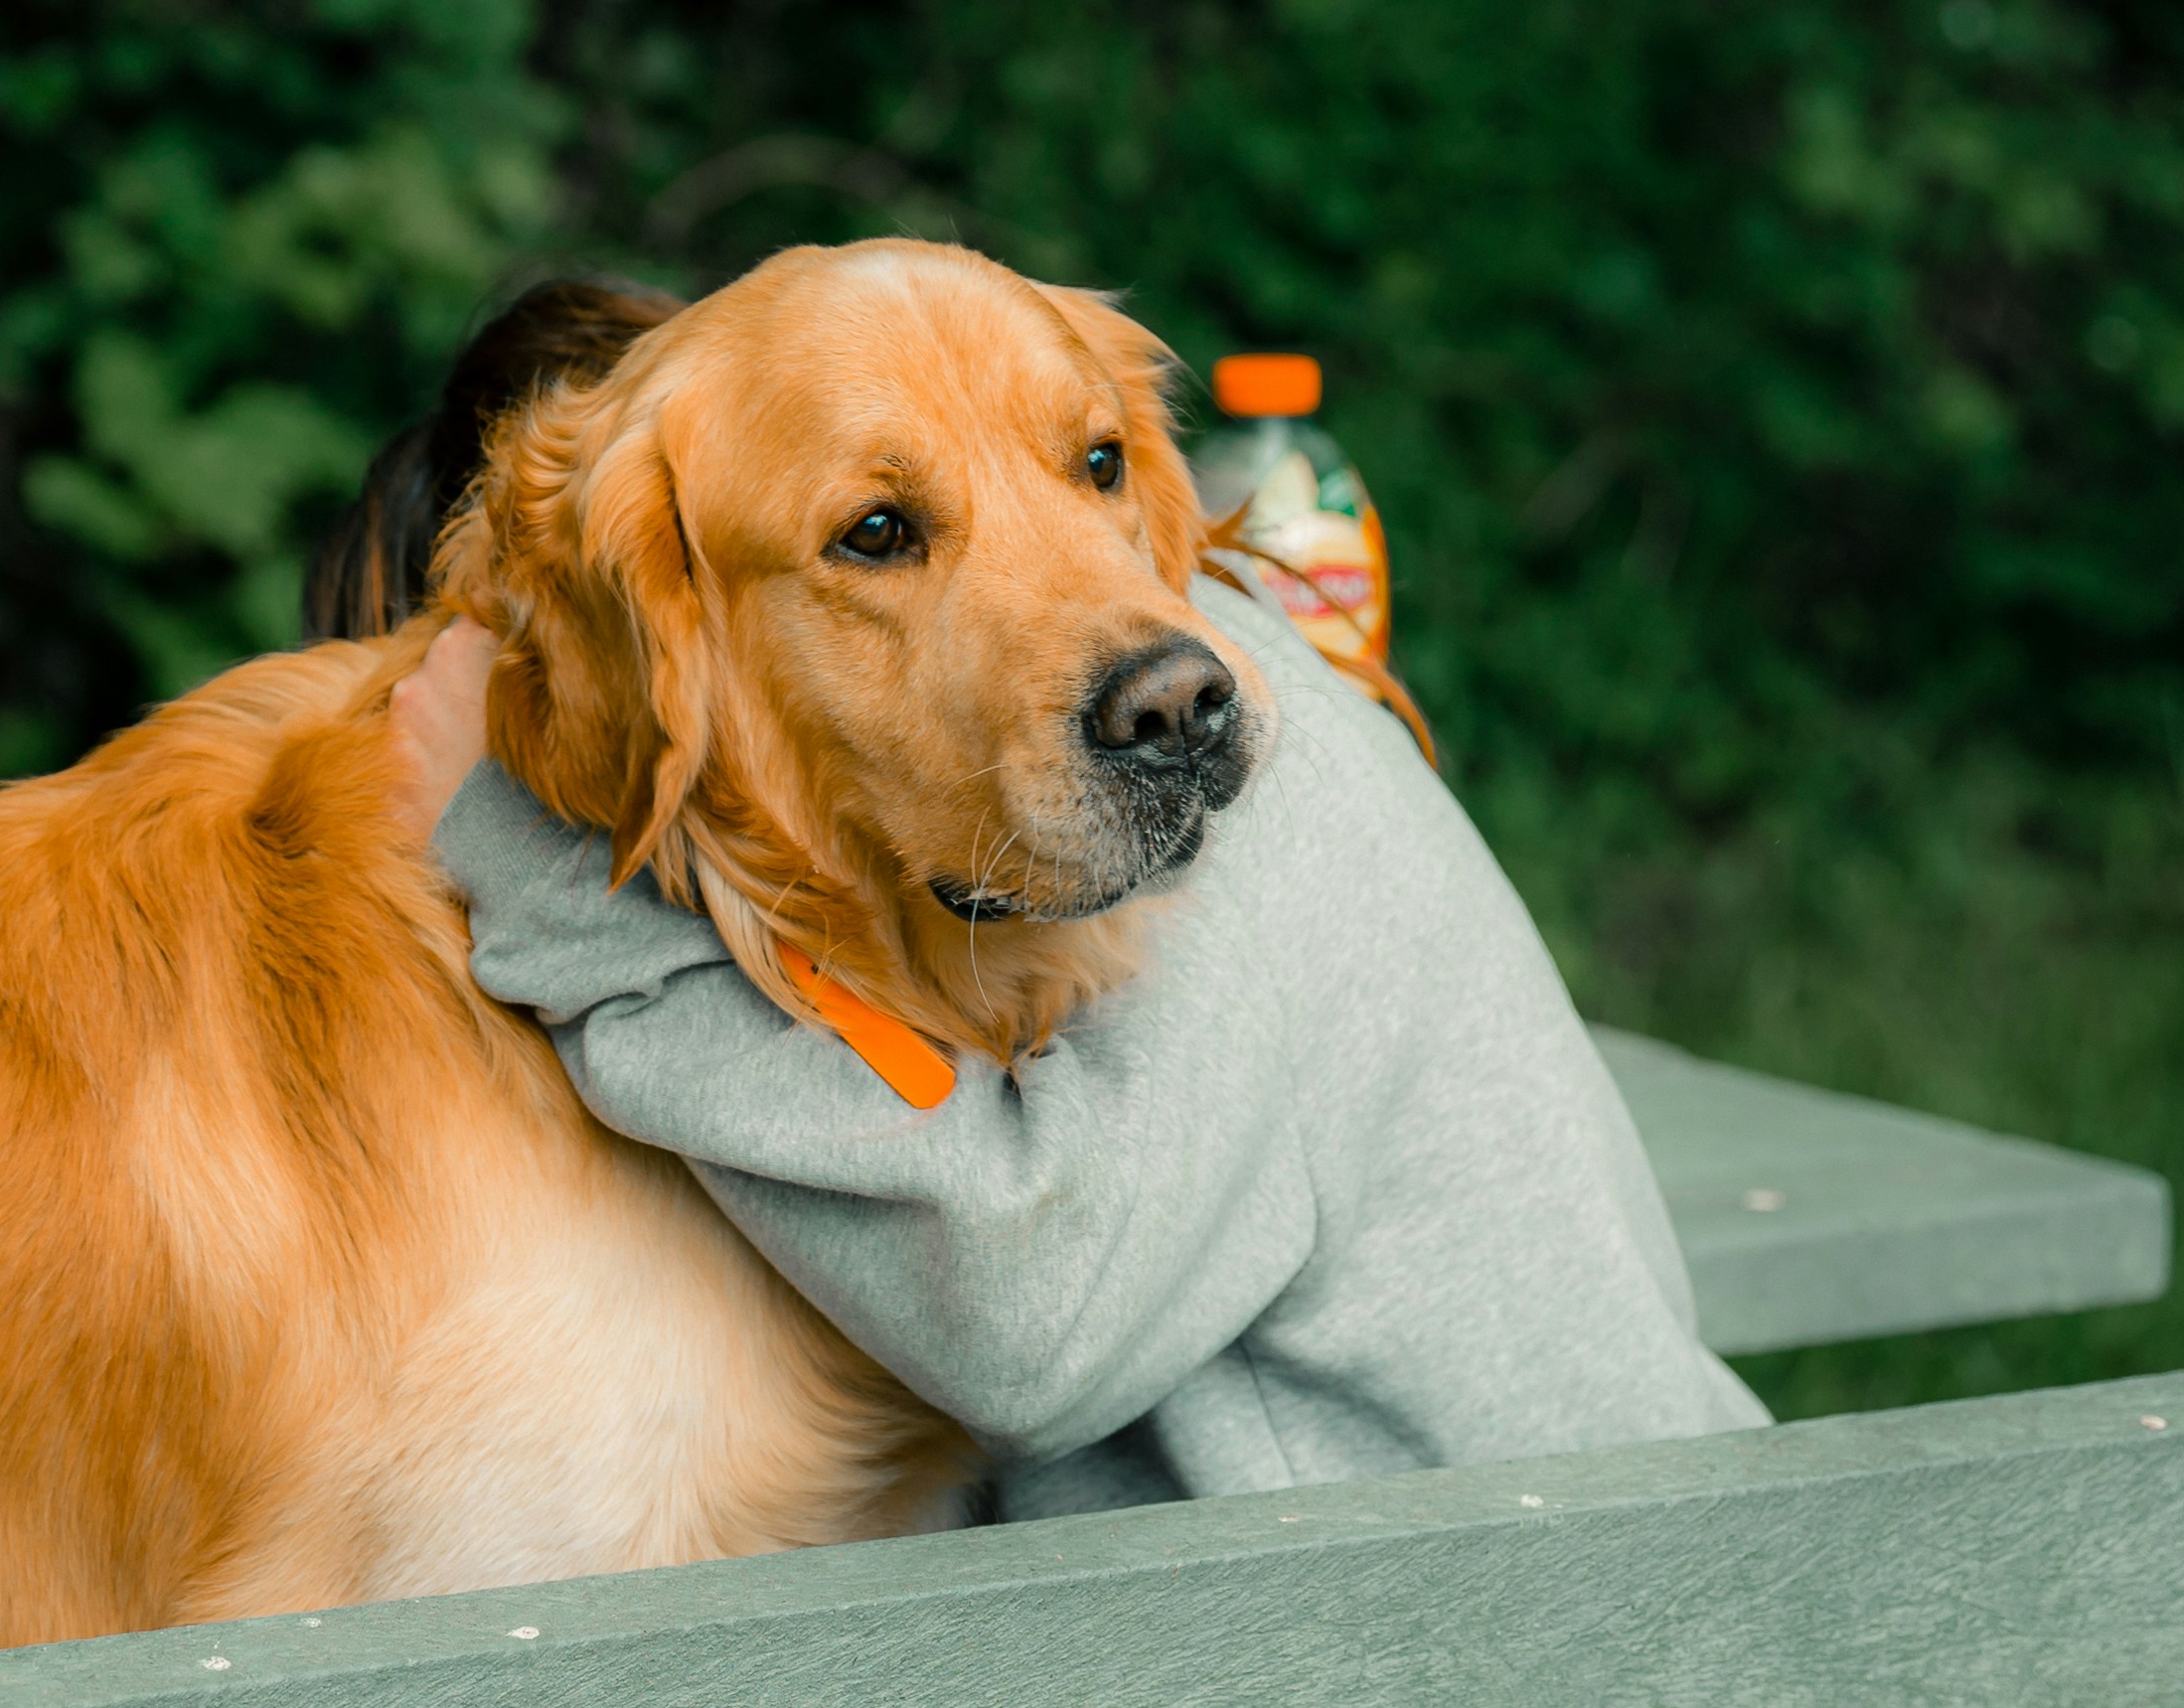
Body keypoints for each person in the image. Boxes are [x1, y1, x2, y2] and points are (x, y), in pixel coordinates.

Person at [332, 276, 1765, 1519]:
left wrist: (531, 860)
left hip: (1548, 1674)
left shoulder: (1258, 772)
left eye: (1089, 463)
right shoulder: (884, 908)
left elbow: (1031, 1321)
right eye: (886, 528)